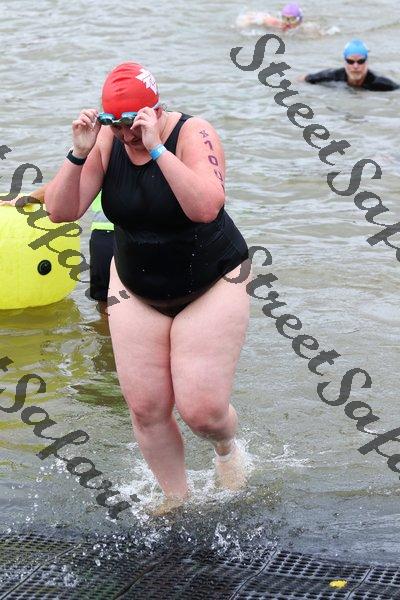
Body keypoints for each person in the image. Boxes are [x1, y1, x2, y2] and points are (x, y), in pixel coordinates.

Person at [44, 62, 250, 512]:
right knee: (147, 408)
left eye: (134, 124)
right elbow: (61, 212)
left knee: (202, 412)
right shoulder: (107, 140)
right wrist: (78, 153)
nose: (126, 135)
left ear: (155, 111)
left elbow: (206, 208)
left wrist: (157, 149)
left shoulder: (194, 133)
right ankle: (176, 501)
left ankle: (226, 448)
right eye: (115, 125)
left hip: (212, 280)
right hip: (135, 286)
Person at [0, 187, 114, 303]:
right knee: (114, 295)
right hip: (112, 232)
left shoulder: (99, 171)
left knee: (106, 298)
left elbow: (64, 187)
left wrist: (26, 199)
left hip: (107, 234)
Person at [303, 39, 399, 91]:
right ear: (345, 62)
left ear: (366, 62)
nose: (355, 66)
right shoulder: (332, 76)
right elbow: (303, 79)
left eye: (360, 61)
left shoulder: (381, 83)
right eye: (350, 61)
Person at [237, 3, 303, 31]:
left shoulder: (302, 29)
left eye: (292, 19)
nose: (287, 23)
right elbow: (254, 17)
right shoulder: (274, 23)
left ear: (299, 20)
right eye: (284, 18)